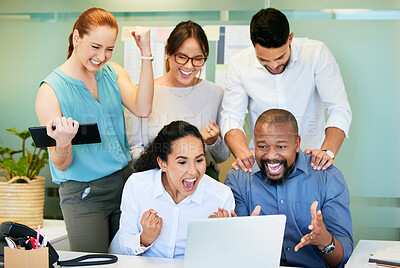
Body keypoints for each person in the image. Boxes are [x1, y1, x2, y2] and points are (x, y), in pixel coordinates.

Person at [35, 8, 154, 253]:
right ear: (76, 38)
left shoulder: (114, 73)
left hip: (124, 185)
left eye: (109, 49)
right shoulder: (51, 91)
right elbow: (61, 164)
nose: (102, 57)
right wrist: (63, 143)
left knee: (132, 258)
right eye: (95, 47)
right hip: (84, 195)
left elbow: (143, 108)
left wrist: (146, 53)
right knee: (92, 262)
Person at [220, 8, 352, 173]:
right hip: (264, 164)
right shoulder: (239, 64)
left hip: (311, 162)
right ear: (252, 42)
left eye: (280, 57)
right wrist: (244, 156)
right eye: (263, 59)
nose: (273, 66)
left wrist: (327, 152)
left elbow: (339, 108)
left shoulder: (316, 54)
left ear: (290, 38)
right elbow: (231, 117)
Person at [224, 109, 353, 268]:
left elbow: (343, 258)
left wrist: (325, 241)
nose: (271, 156)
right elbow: (233, 253)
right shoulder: (239, 178)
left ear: (297, 144)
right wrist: (238, 235)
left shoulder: (328, 178)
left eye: (281, 147)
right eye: (262, 146)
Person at [125, 20, 230, 180]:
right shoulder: (143, 93)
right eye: (182, 57)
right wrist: (169, 166)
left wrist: (213, 142)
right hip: (155, 182)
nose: (189, 66)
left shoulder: (216, 93)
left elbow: (223, 157)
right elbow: (135, 154)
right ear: (168, 52)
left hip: (201, 183)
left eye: (198, 59)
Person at [119, 121, 235, 258]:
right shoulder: (137, 185)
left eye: (199, 160)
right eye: (182, 162)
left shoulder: (221, 196)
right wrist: (144, 239)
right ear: (163, 164)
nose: (193, 171)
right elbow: (124, 244)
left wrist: (219, 239)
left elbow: (227, 257)